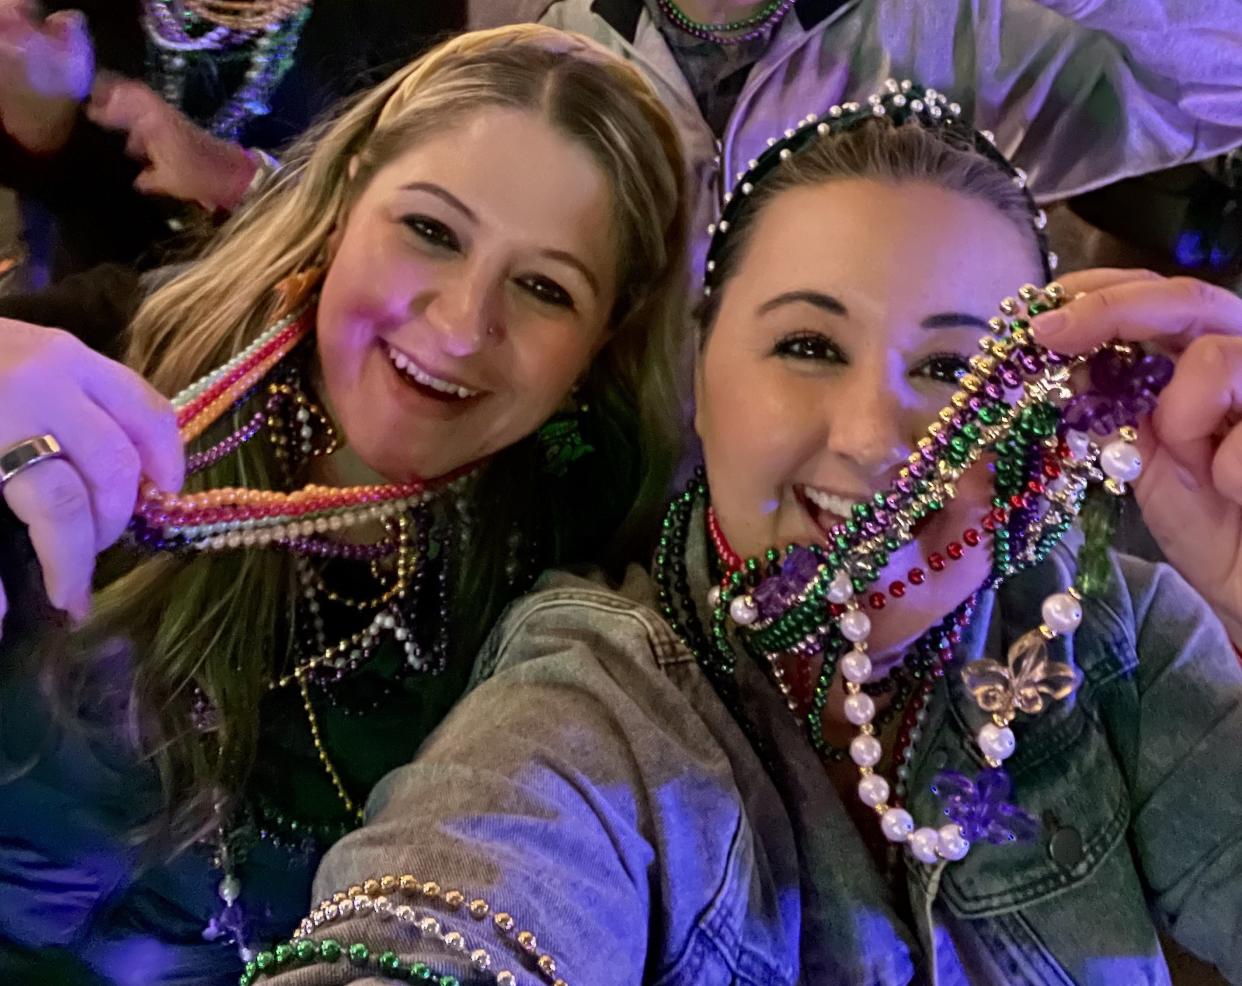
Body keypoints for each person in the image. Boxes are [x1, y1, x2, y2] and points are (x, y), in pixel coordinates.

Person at [248, 86, 1242, 985]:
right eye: (808, 346)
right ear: (699, 377)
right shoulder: (595, 702)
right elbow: (460, 890)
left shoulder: (1120, 637)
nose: (868, 441)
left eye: (954, 369)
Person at [0, 23, 688, 984]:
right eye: (430, 231)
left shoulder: (572, 561)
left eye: (544, 288)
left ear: (600, 344)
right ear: (348, 198)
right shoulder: (117, 358)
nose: (459, 328)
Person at [470, 0, 1242, 280]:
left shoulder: (954, 27)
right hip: (636, 554)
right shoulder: (558, 55)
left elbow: (1218, 86)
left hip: (896, 544)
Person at [0, 0, 466, 283]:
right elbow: (62, 190)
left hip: (294, 335)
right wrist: (41, 123)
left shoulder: (401, 14)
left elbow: (433, 224)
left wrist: (237, 179)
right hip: (103, 324)